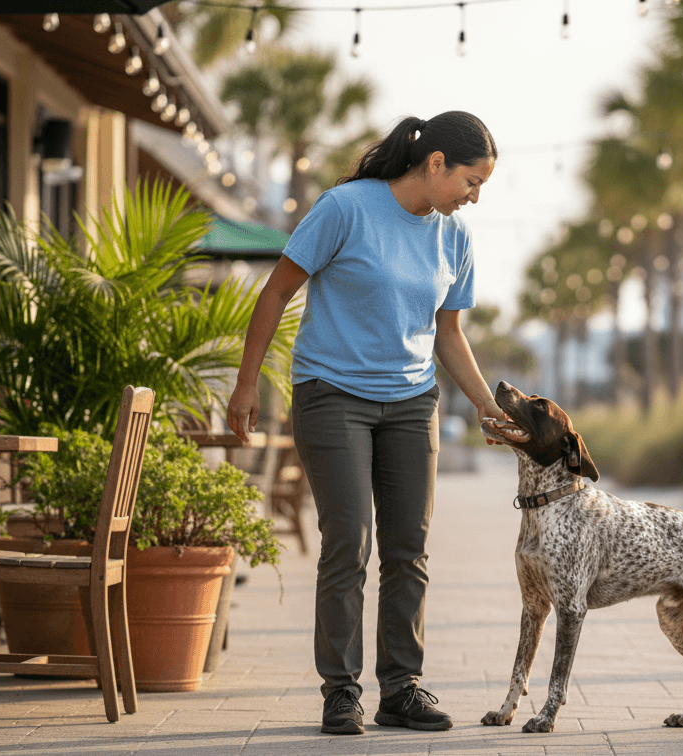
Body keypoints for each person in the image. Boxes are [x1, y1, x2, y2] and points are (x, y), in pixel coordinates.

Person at [225, 111, 506, 736]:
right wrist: (247, 384)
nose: (474, 196)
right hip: (332, 394)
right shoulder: (345, 208)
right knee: (349, 542)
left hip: (411, 402)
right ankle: (341, 691)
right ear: (435, 163)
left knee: (409, 548)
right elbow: (275, 292)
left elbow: (448, 333)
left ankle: (401, 688)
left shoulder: (453, 237)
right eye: (471, 180)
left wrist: (486, 404)